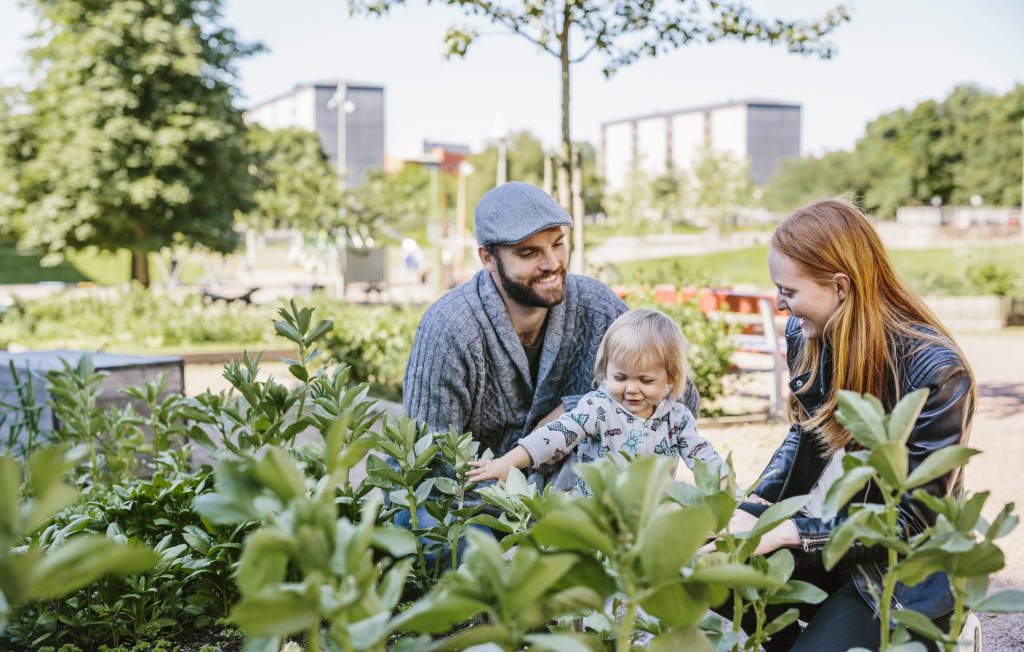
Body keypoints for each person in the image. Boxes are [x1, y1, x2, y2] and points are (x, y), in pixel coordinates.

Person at [723, 198, 976, 651]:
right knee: (713, 571)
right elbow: (804, 437)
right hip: (824, 537)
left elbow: (909, 521)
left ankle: (940, 635)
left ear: (840, 287)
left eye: (788, 291)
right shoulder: (809, 332)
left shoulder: (936, 373)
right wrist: (753, 509)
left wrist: (794, 533)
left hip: (895, 571)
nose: (781, 306)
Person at [403, 181, 701, 469]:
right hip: (473, 507)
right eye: (529, 252)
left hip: (580, 506)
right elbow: (427, 461)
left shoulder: (597, 307)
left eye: (558, 244)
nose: (551, 263)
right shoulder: (450, 328)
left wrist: (579, 410)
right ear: (488, 258)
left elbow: (681, 398)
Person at [466, 308, 725, 493]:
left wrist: (726, 486)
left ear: (670, 378)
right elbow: (554, 436)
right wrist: (506, 463)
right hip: (589, 515)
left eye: (645, 381)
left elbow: (702, 455)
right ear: (606, 370)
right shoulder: (598, 408)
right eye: (620, 377)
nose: (632, 389)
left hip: (644, 515)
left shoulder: (676, 419)